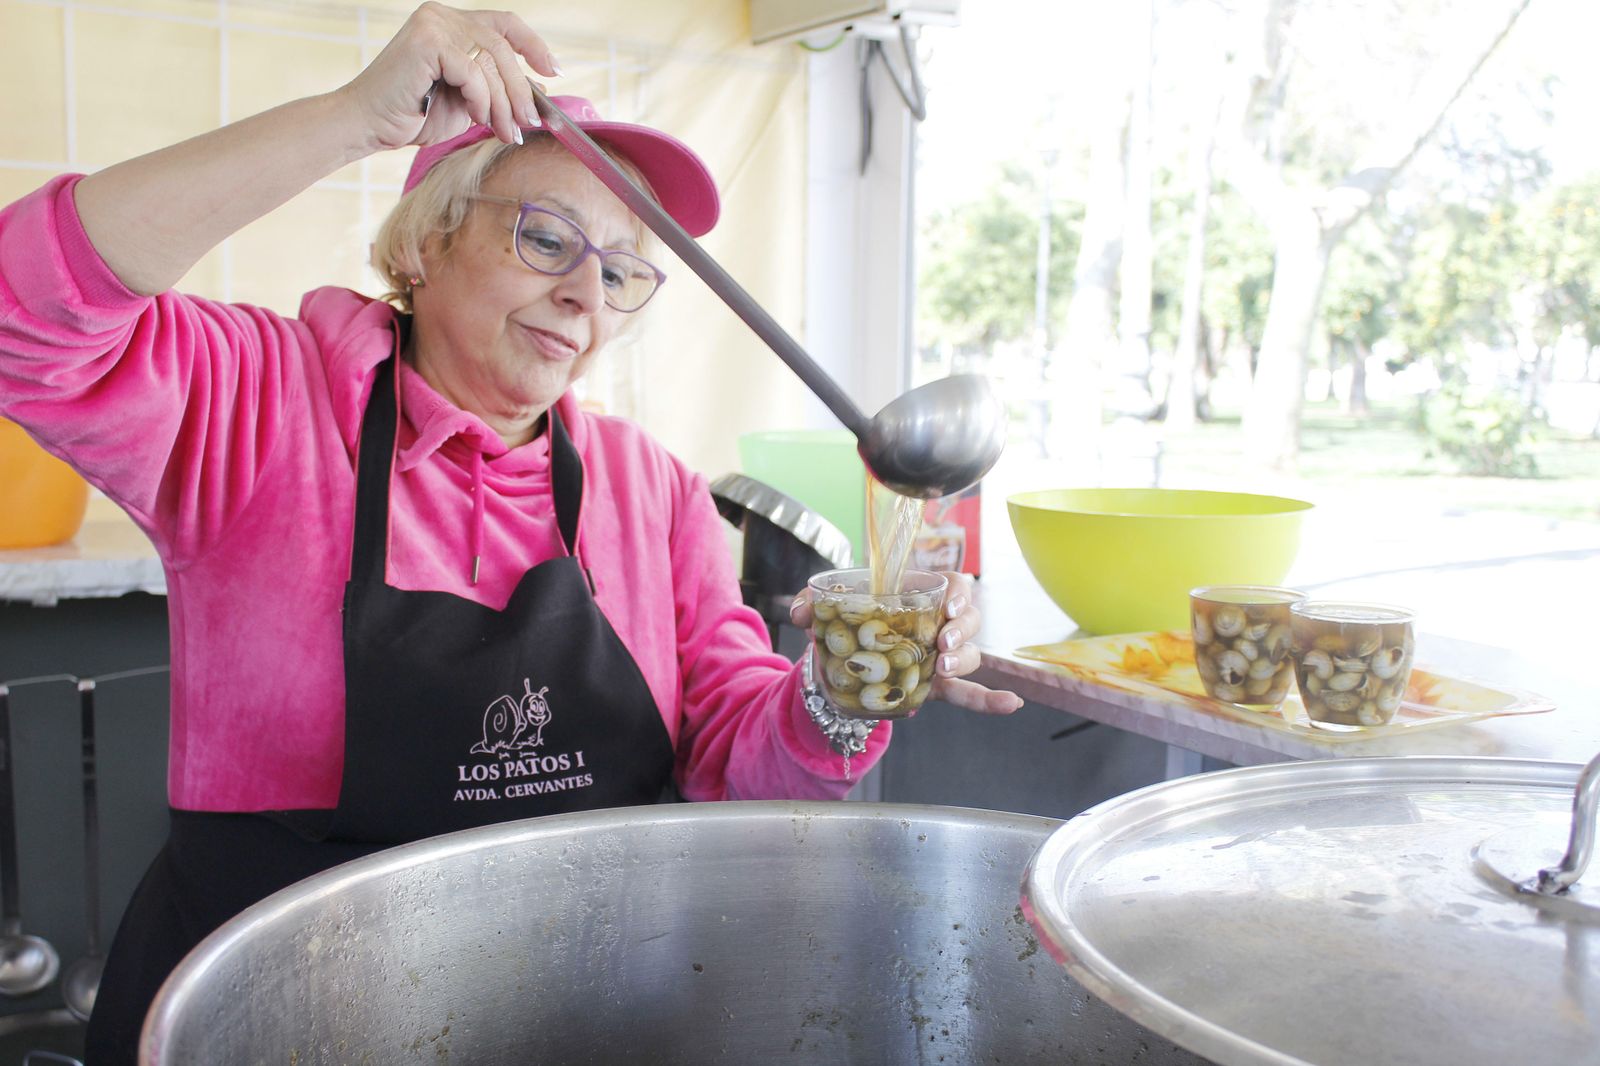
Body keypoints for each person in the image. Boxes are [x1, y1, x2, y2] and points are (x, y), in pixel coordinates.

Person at [0, 4, 1020, 1060]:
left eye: (622, 272)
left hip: (574, 1017)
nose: (583, 293)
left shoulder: (649, 487)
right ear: (432, 236)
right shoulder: (259, 404)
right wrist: (351, 117)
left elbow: (729, 768)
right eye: (547, 239)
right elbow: (20, 311)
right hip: (279, 1016)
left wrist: (838, 691)